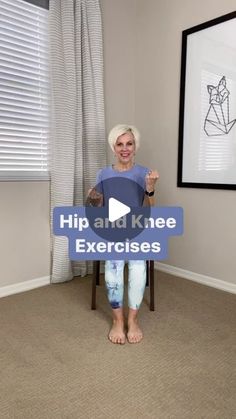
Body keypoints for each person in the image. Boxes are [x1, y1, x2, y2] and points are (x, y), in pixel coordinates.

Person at [88, 124, 159, 344]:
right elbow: (98, 210)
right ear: (113, 147)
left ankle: (133, 320)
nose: (125, 148)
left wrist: (150, 189)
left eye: (129, 143)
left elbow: (151, 209)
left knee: (138, 267)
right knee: (113, 268)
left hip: (137, 230)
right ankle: (118, 321)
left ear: (135, 147)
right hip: (112, 231)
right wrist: (95, 200)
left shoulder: (144, 173)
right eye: (120, 144)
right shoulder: (104, 173)